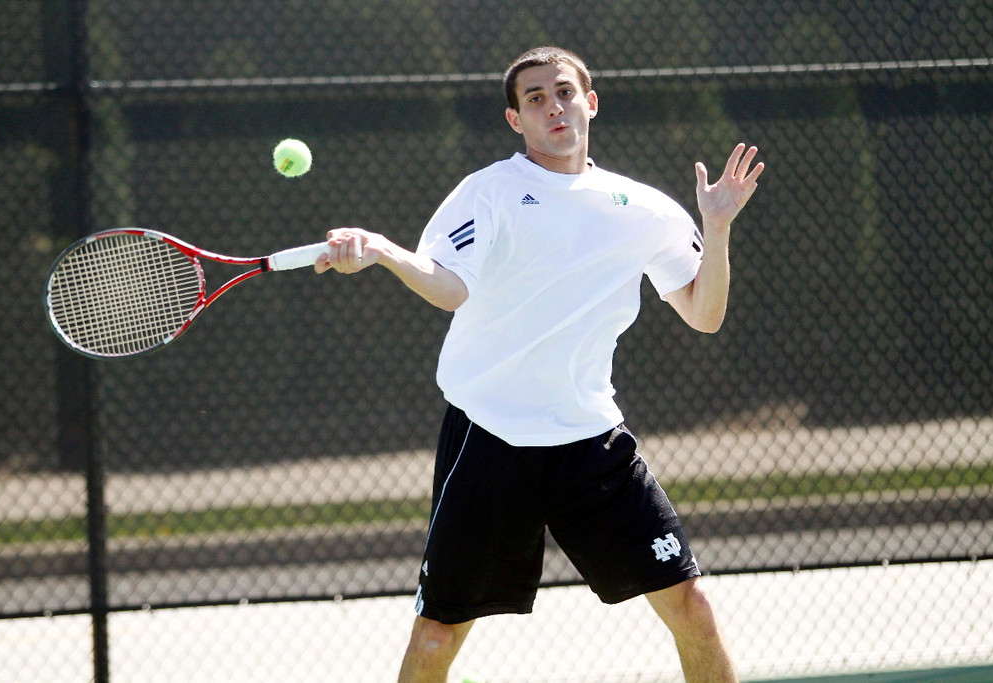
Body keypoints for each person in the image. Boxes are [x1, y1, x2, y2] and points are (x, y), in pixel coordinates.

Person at [314, 46, 763, 683]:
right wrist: (385, 250)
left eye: (564, 92)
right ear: (514, 121)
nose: (554, 106)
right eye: (535, 98)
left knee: (692, 604)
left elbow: (704, 313)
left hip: (592, 444)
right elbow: (448, 287)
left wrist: (715, 229)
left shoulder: (648, 210)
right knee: (439, 637)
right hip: (490, 439)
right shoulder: (489, 192)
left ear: (591, 102)